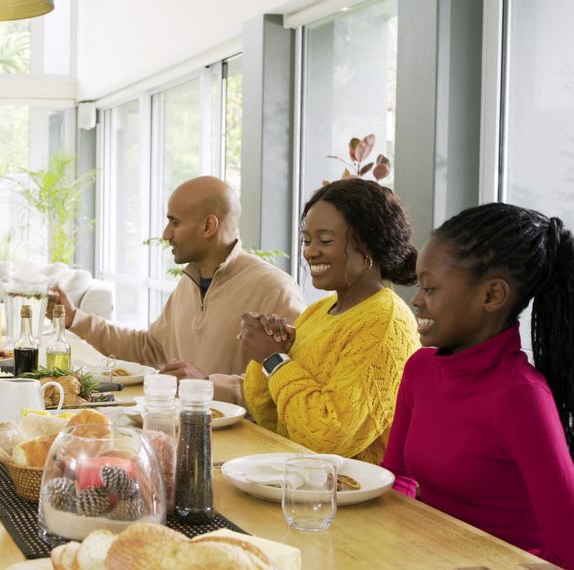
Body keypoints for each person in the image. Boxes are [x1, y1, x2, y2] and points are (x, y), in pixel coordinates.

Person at [381, 203, 574, 567]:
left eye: (431, 287)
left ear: (491, 296)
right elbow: (398, 477)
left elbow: (568, 552)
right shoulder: (420, 369)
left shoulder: (522, 397)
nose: (416, 299)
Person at [48, 176, 304, 401]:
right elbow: (149, 348)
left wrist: (207, 386)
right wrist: (74, 319)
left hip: (246, 448)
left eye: (175, 222)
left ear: (208, 226)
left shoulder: (275, 289)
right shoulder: (190, 281)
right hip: (186, 429)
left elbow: (293, 384)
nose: (165, 233)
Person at [240, 178, 419, 464]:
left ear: (369, 246)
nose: (310, 251)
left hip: (354, 497)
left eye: (325, 240)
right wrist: (271, 357)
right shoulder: (319, 311)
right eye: (307, 240)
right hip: (300, 479)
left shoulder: (385, 321)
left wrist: (275, 360)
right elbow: (272, 419)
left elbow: (328, 436)